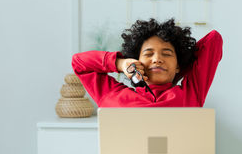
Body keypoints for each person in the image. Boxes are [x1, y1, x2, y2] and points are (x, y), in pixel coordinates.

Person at [72, 18, 223, 107]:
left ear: (178, 64)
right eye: (149, 53)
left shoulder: (192, 93)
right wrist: (121, 64)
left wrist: (175, 71)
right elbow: (79, 63)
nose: (157, 59)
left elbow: (213, 40)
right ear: (137, 61)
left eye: (167, 53)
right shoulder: (113, 95)